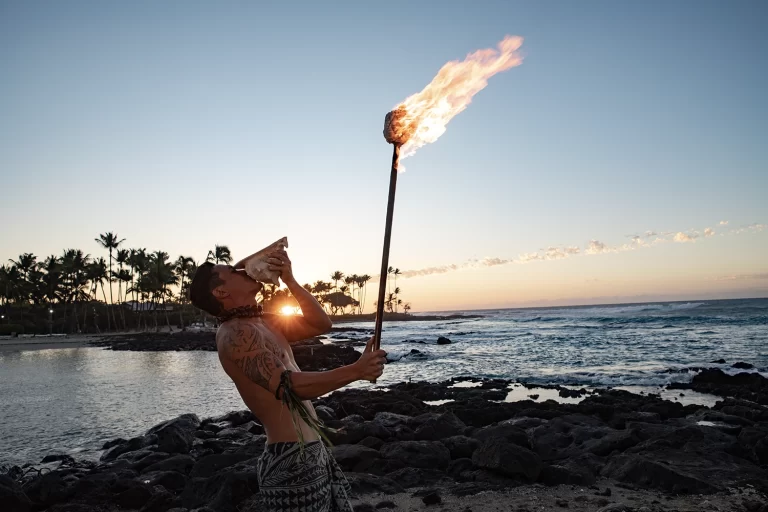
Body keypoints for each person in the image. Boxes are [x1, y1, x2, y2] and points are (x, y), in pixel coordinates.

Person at [189, 247, 387, 512]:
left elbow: (320, 324)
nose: (243, 268)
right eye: (232, 270)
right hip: (290, 461)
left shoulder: (263, 322)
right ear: (221, 292)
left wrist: (290, 280)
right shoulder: (235, 336)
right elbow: (288, 386)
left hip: (313, 452)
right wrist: (356, 371)